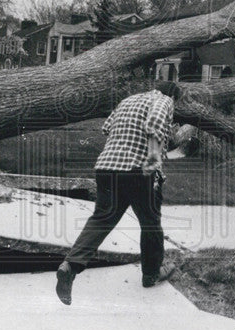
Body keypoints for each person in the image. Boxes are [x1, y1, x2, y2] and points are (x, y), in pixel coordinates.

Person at [55, 80, 181, 305]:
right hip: (137, 169)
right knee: (150, 222)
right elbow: (155, 121)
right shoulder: (163, 100)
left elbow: (107, 128)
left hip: (106, 167)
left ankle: (70, 266)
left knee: (102, 219)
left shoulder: (128, 101)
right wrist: (153, 154)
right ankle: (151, 274)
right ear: (172, 96)